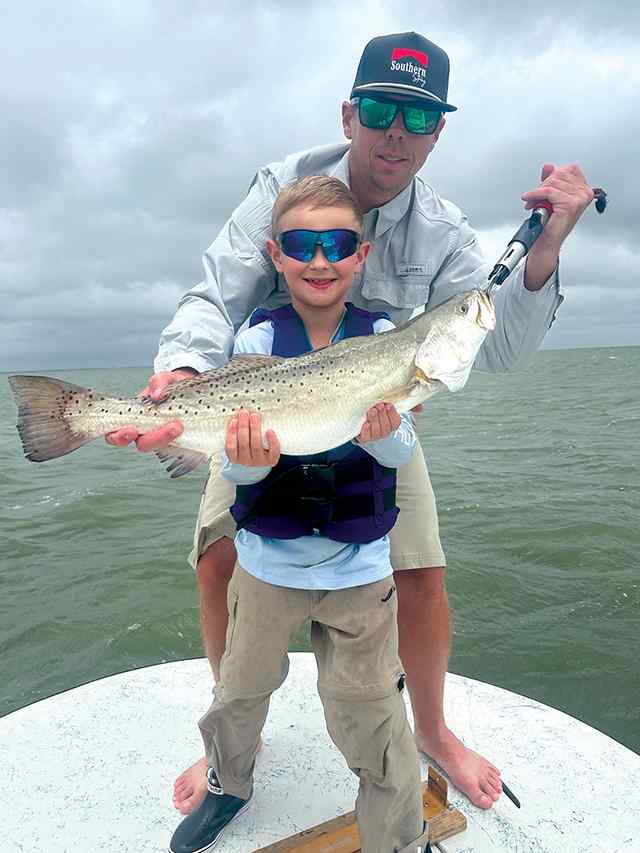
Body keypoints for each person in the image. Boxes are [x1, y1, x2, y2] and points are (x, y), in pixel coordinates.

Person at [107, 31, 596, 813]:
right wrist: (185, 374)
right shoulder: (280, 185)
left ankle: (431, 729)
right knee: (214, 556)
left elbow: (495, 342)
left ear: (439, 132)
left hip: (375, 415)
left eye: (417, 116)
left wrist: (545, 254)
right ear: (349, 114)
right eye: (379, 110)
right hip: (255, 408)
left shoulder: (442, 229)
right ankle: (236, 735)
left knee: (424, 571)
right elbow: (215, 294)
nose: (396, 132)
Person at [169, 175, 430, 853]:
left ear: (360, 254)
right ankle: (228, 781)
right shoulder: (256, 338)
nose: (319, 258)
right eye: (301, 244)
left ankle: (399, 836)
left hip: (360, 573)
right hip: (264, 568)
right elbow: (238, 466)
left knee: (374, 714)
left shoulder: (384, 339)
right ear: (275, 255)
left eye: (336, 243)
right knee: (238, 694)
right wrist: (250, 457)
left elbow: (401, 448)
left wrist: (385, 433)